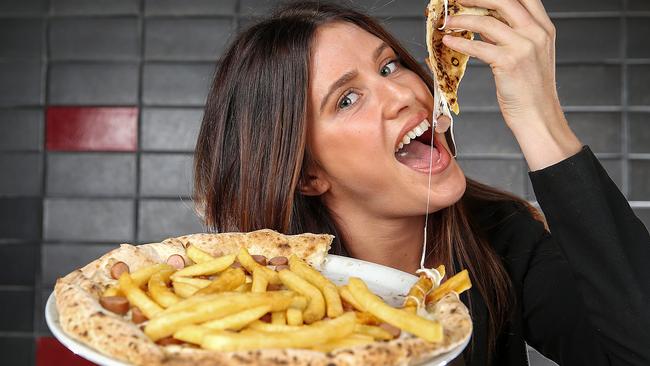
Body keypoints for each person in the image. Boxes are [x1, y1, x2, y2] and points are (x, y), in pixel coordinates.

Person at [193, 1, 650, 365]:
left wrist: (539, 118)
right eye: (348, 99)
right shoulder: (252, 302)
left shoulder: (502, 239)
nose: (404, 94)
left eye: (389, 66)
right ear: (308, 174)